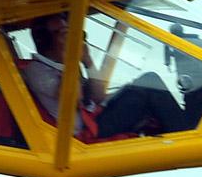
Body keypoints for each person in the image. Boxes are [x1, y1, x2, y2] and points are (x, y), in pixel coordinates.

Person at [24, 14, 187, 140]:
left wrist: (88, 62)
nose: (70, 39)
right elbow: (71, 99)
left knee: (135, 88)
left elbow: (97, 96)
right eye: (63, 34)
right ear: (45, 41)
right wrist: (71, 59)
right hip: (85, 133)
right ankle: (185, 131)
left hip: (95, 119)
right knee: (147, 86)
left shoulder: (63, 66)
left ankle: (178, 127)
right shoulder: (37, 70)